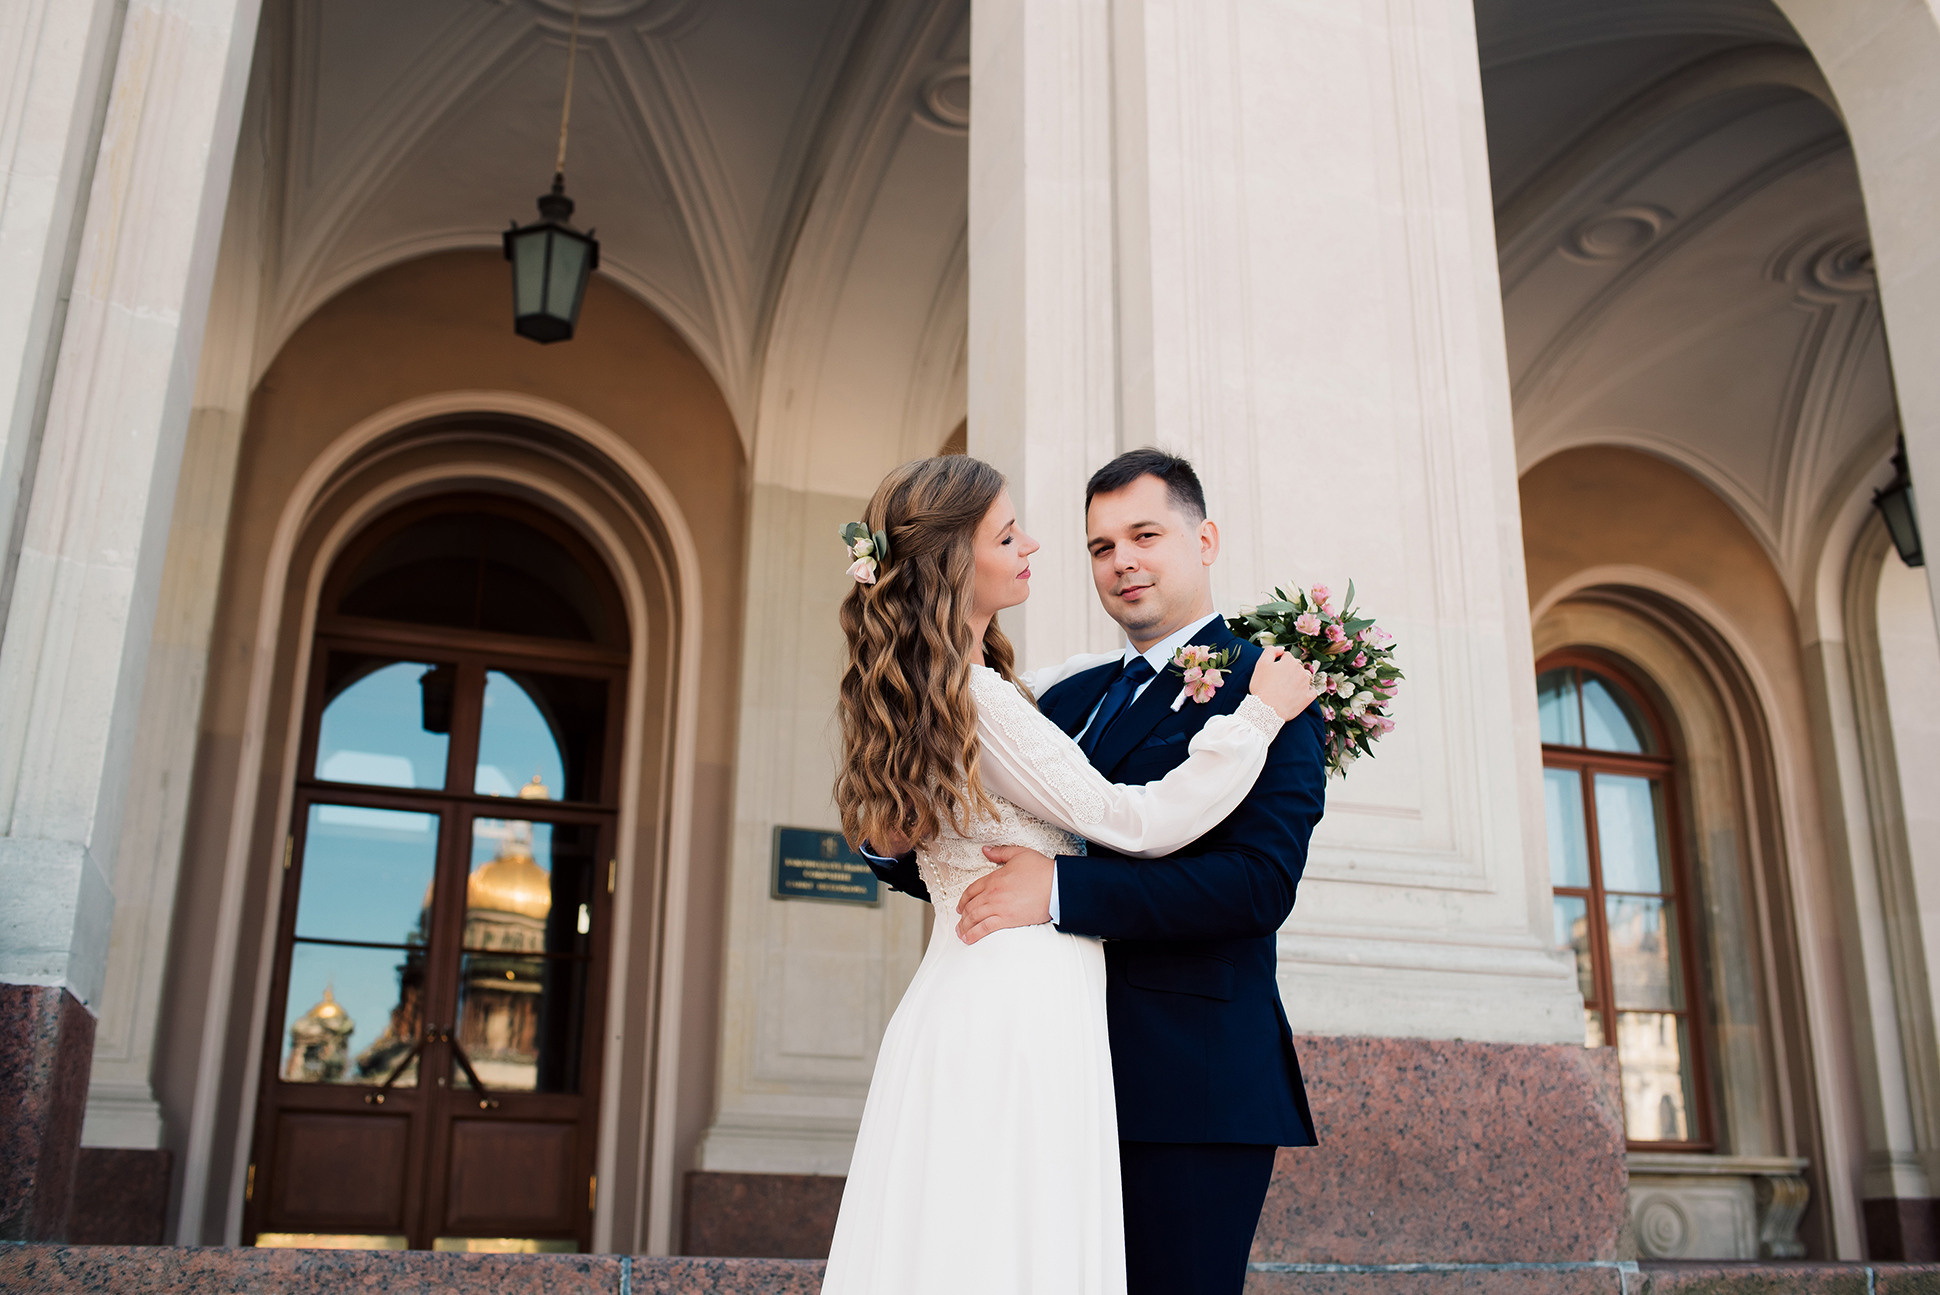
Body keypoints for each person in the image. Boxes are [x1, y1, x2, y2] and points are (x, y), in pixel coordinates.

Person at [822, 454, 1317, 1295]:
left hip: (1186, 1088)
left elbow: (1255, 885)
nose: (1122, 560)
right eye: (1101, 545)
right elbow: (975, 842)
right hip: (1035, 1061)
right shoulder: (1058, 696)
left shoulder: (1271, 685)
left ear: (1204, 540)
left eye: (1145, 535)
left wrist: (1057, 891)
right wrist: (894, 845)